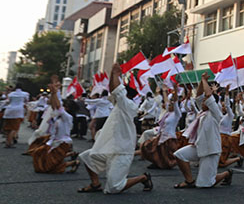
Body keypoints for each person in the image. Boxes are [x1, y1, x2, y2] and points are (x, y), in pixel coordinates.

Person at [78, 63, 152, 193]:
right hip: (109, 147)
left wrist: (116, 74)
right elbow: (114, 90)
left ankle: (143, 178)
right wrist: (113, 74)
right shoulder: (119, 103)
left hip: (122, 151)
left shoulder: (129, 105)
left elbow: (117, 91)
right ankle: (95, 184)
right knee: (86, 156)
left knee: (114, 188)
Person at [173, 72, 233, 189]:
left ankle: (226, 174)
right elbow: (199, 95)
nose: (203, 101)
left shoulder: (216, 113)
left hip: (211, 150)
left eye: (206, 100)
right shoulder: (202, 113)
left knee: (204, 184)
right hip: (199, 146)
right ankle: (189, 181)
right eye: (204, 100)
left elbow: (209, 95)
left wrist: (205, 81)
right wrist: (201, 80)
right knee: (179, 155)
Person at [30, 78, 80, 174]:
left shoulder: (68, 117)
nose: (62, 107)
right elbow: (54, 105)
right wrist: (53, 93)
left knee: (50, 165)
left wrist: (55, 91)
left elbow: (58, 106)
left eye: (65, 106)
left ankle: (73, 162)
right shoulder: (59, 116)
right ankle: (73, 161)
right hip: (54, 141)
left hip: (63, 142)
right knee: (40, 156)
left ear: (68, 108)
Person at [141, 83, 181, 169]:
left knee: (165, 154)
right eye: (169, 105)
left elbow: (176, 102)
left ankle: (167, 164)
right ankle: (158, 163)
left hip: (170, 137)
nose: (169, 106)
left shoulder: (177, 114)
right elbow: (166, 101)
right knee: (149, 147)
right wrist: (163, 91)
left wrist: (175, 90)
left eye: (171, 105)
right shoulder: (167, 114)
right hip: (162, 135)